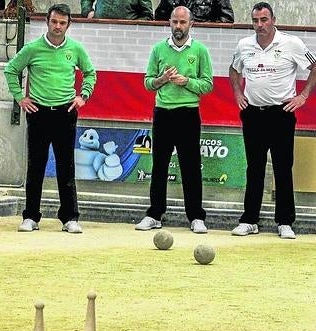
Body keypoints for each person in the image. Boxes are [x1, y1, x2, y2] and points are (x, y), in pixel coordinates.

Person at [4, 3, 96, 234]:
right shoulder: (33, 48)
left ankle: (70, 218)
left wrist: (83, 95)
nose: (57, 26)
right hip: (38, 113)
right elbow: (11, 70)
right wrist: (20, 98)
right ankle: (31, 217)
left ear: (69, 25)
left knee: (66, 168)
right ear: (47, 21)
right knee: (36, 167)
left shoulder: (75, 48)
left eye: (62, 23)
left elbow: (90, 73)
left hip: (66, 113)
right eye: (54, 21)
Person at [228, 2, 316, 239]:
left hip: (281, 114)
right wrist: (238, 93)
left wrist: (303, 96)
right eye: (255, 21)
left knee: (283, 167)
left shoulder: (292, 43)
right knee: (254, 168)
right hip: (253, 114)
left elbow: (314, 66)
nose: (260, 25)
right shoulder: (244, 45)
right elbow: (233, 70)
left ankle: (285, 222)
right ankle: (249, 220)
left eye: (264, 20)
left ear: (273, 20)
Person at [135, 6, 212, 233]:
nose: (178, 27)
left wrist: (186, 81)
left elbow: (207, 84)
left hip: (188, 113)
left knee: (190, 167)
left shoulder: (199, 50)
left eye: (182, 23)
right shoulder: (158, 49)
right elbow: (148, 82)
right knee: (159, 166)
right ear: (169, 23)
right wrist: (162, 79)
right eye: (175, 22)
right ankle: (154, 214)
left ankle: (196, 217)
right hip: (163, 113)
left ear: (191, 24)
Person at [154, 0, 234, 23]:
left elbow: (227, 18)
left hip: (204, 40)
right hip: (177, 40)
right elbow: (159, 18)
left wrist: (207, 27)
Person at [81, 0, 153, 20]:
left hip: (127, 36)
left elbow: (147, 15)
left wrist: (133, 26)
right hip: (99, 30)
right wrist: (88, 11)